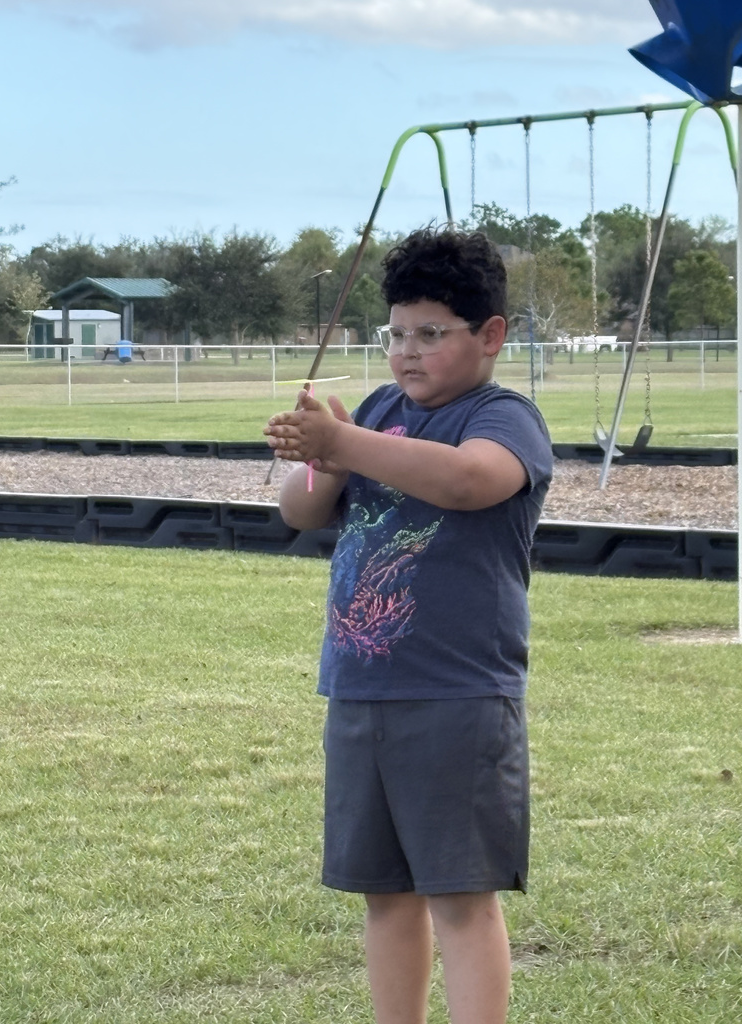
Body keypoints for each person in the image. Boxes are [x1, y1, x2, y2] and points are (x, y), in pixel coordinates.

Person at [264, 227, 553, 1024]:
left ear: (490, 335)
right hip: (362, 690)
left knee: (460, 897)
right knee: (384, 895)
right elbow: (298, 511)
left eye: (432, 334)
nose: (407, 353)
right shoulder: (379, 412)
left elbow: (467, 483)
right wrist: (322, 454)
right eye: (395, 334)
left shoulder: (503, 417)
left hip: (458, 696)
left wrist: (346, 440)